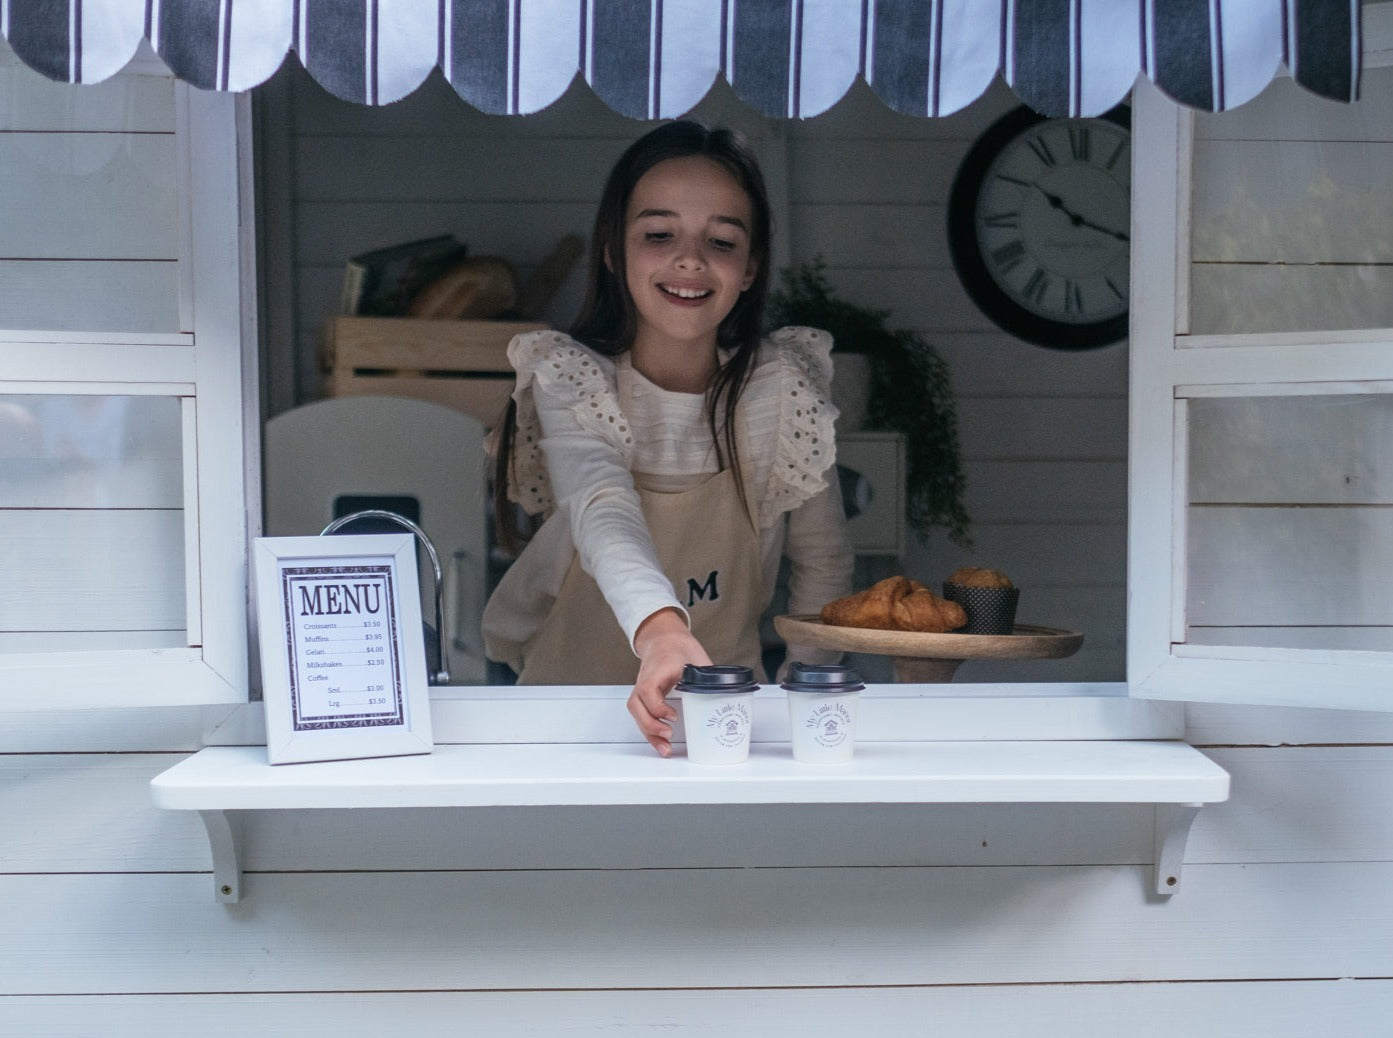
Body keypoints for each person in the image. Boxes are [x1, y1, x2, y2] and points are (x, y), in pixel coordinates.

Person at [482, 119, 853, 756]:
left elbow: (823, 564)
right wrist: (661, 631)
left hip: (722, 723)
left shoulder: (780, 390)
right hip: (563, 721)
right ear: (612, 249)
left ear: (750, 266)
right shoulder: (573, 380)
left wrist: (803, 702)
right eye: (659, 234)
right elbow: (603, 508)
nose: (690, 260)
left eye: (722, 241)